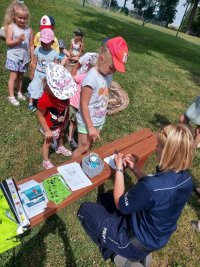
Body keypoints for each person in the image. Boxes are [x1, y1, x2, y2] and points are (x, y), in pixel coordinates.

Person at [77, 123, 194, 265]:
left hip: (133, 240)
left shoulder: (151, 186)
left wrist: (119, 169)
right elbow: (156, 194)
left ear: (169, 153)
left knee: (85, 210)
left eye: (159, 146)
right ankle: (142, 251)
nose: (156, 148)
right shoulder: (186, 179)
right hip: (158, 235)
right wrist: (136, 170)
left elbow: (120, 203)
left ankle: (120, 256)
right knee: (104, 199)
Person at [72, 36, 128, 159]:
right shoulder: (91, 78)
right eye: (112, 68)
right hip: (87, 121)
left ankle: (82, 166)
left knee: (89, 146)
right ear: (101, 59)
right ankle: (69, 169)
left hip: (97, 119)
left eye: (115, 70)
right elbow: (83, 105)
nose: (113, 72)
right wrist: (91, 127)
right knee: (82, 147)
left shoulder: (107, 76)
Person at [37, 62, 78, 169]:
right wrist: (47, 130)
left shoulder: (65, 95)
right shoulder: (44, 98)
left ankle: (60, 146)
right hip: (50, 126)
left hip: (62, 121)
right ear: (49, 87)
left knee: (61, 134)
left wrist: (66, 118)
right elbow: (40, 115)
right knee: (48, 142)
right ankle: (45, 160)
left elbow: (66, 106)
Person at [4, 0, 34, 106]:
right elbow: (8, 42)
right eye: (19, 18)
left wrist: (32, 58)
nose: (22, 20)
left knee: (21, 76)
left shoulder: (29, 30)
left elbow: (31, 45)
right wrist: (18, 40)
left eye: (24, 18)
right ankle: (11, 96)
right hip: (13, 56)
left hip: (24, 57)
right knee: (13, 76)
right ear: (14, 17)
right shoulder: (11, 27)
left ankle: (19, 92)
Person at [28, 28, 59, 112]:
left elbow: (55, 67)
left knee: (44, 90)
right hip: (38, 73)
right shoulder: (38, 49)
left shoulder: (55, 54)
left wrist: (52, 77)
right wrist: (32, 73)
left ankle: (39, 103)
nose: (43, 44)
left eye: (46, 42)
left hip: (47, 75)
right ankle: (31, 102)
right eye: (42, 42)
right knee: (34, 87)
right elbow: (34, 62)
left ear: (52, 42)